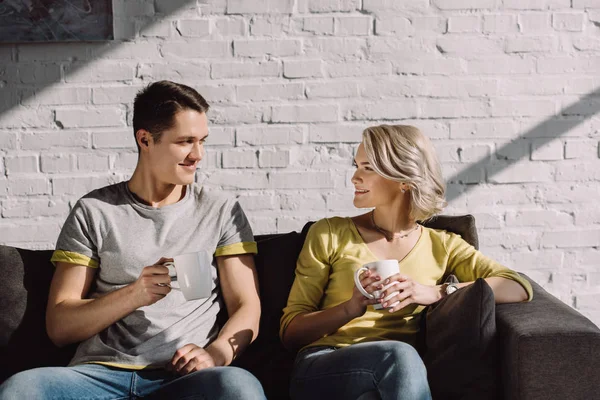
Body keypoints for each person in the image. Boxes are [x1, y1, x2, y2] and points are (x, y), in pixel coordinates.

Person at [0, 81, 266, 400]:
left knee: (239, 386)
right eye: (185, 142)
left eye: (202, 141)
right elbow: (60, 327)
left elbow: (246, 306)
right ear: (145, 139)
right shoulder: (95, 211)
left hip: (183, 379)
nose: (198, 155)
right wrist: (134, 294)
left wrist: (216, 353)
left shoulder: (219, 210)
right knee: (21, 388)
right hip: (98, 375)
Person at [280, 124, 533, 400]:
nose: (354, 177)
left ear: (403, 179)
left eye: (368, 168)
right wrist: (350, 308)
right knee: (398, 356)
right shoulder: (330, 233)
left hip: (396, 380)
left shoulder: (443, 245)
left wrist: (433, 292)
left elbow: (517, 286)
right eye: (357, 166)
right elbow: (291, 332)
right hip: (323, 365)